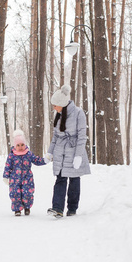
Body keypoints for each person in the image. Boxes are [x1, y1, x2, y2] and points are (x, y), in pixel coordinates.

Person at [46, 85, 91, 218]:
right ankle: (57, 208)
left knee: (74, 180)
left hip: (73, 150)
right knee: (60, 179)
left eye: (55, 105)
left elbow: (82, 136)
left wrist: (78, 155)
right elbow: (55, 136)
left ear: (62, 104)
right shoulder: (59, 115)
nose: (54, 108)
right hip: (60, 151)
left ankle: (72, 208)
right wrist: (50, 152)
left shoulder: (78, 113)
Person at [3, 129, 50, 216]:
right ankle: (17, 209)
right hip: (14, 179)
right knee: (15, 193)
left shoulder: (28, 154)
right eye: (18, 145)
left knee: (27, 193)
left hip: (27, 178)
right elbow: (7, 166)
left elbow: (36, 160)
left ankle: (27, 207)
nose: (20, 147)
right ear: (14, 146)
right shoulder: (12, 155)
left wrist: (45, 160)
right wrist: (6, 176)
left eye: (22, 144)